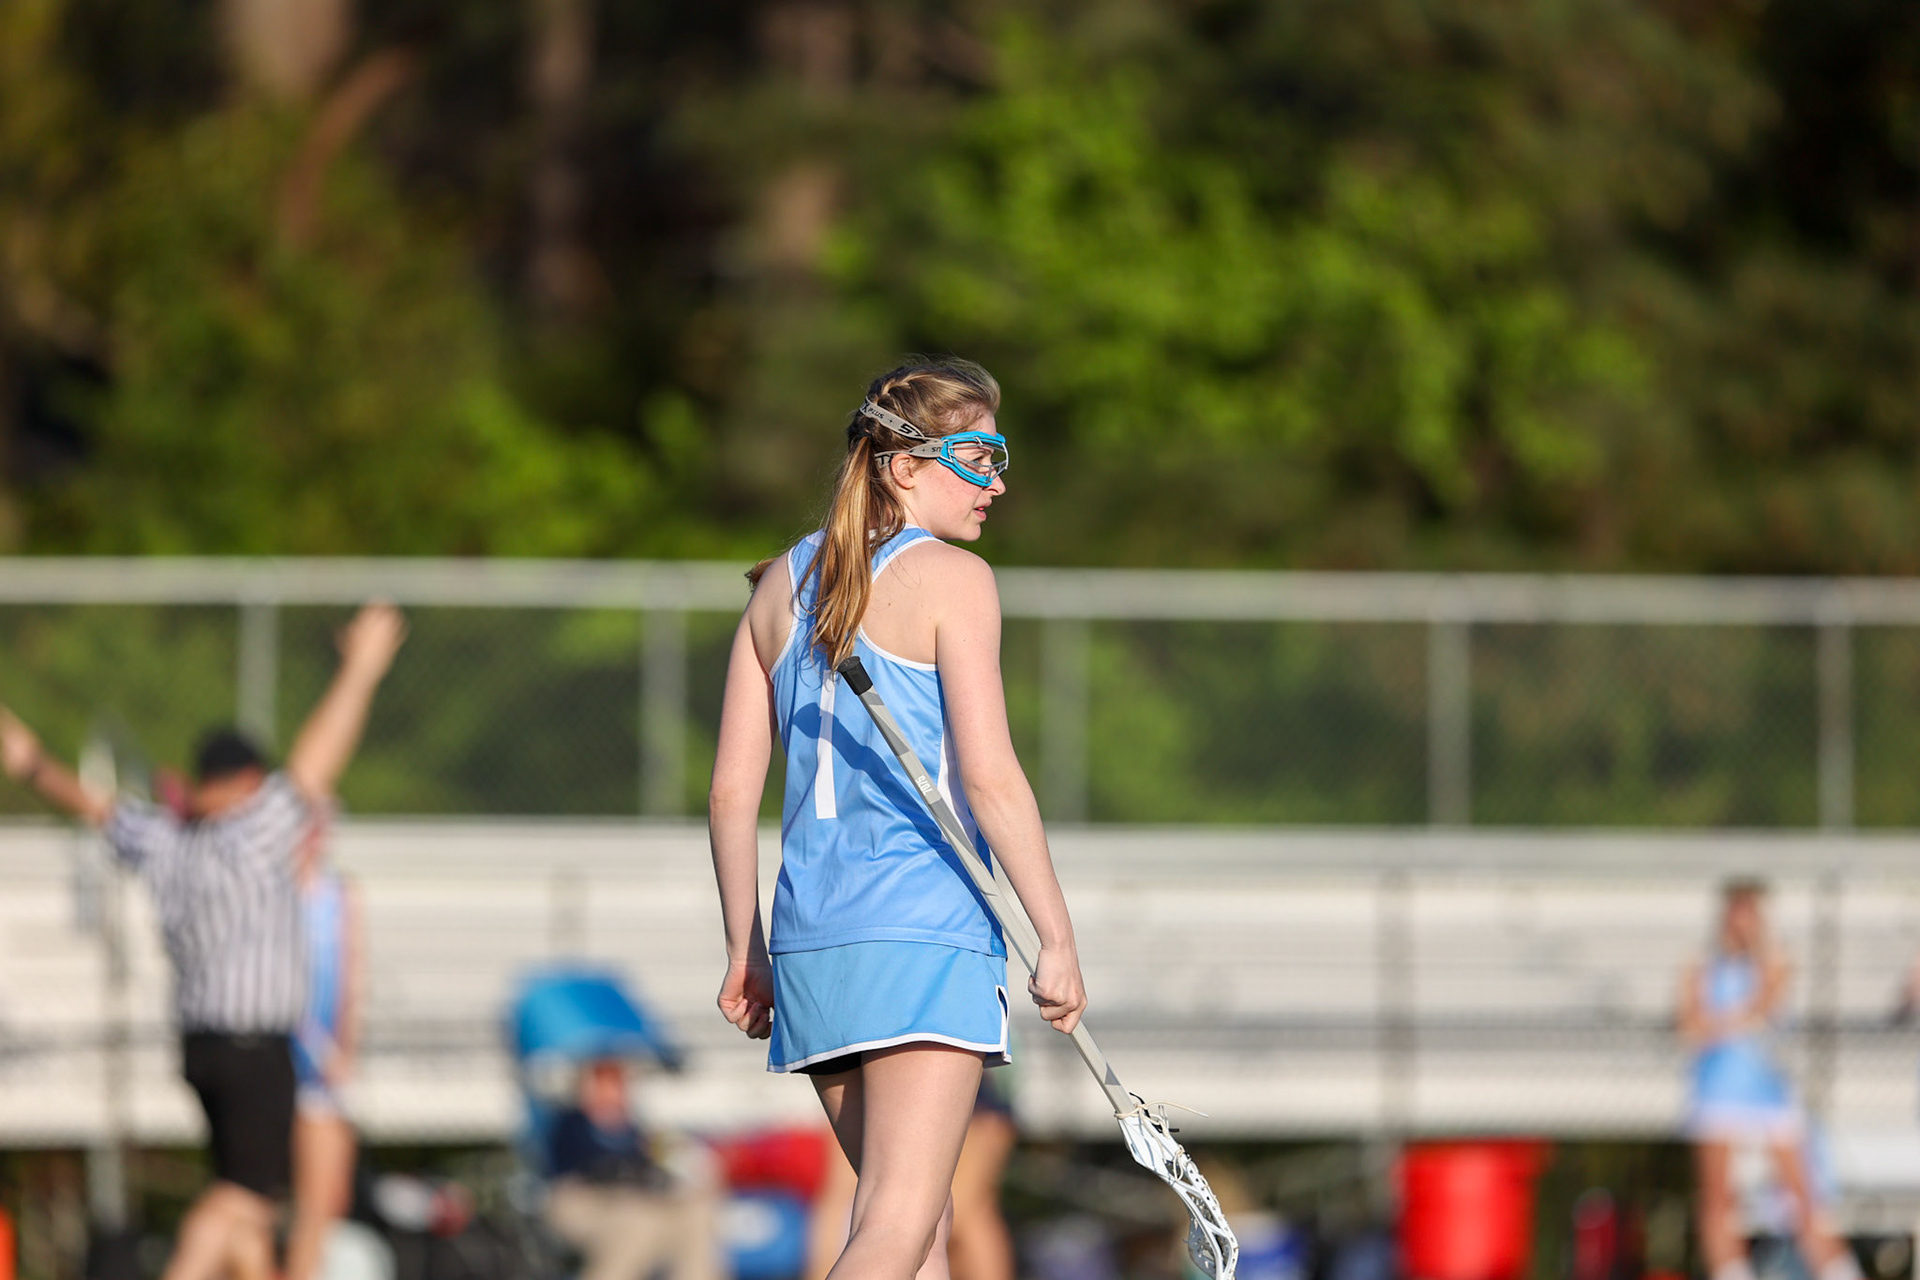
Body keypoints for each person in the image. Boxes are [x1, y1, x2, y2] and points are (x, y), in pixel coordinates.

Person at [708, 358, 1088, 1280]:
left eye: (1002, 456)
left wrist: (745, 948)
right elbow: (993, 779)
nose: (996, 480)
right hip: (921, 931)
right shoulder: (954, 579)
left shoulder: (776, 586)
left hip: (811, 943)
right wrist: (1057, 935)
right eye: (977, 454)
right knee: (896, 1223)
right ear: (902, 464)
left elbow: (729, 792)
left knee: (924, 1232)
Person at [0, 602, 406, 1280]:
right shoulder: (254, 834)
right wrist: (360, 674)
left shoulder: (166, 843)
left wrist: (33, 762)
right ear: (248, 781)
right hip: (254, 1046)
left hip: (201, 1046)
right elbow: (314, 765)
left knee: (247, 1204)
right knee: (243, 1195)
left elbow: (99, 809)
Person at [1678, 878, 1860, 1280]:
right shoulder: (1701, 964)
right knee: (1718, 1203)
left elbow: (1761, 1009)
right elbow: (1689, 1025)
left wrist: (1718, 1023)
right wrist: (1727, 1022)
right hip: (1717, 1091)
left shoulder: (1772, 960)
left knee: (1803, 1201)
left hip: (1767, 1092)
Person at [543, 1059, 720, 1280]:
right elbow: (581, 1171)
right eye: (604, 1084)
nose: (612, 1092)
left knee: (696, 1214)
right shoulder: (570, 1125)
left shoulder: (638, 1131)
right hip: (585, 1201)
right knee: (636, 1223)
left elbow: (670, 1163)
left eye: (617, 1084)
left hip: (639, 1200)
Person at [285, 817, 364, 1280]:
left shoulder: (340, 893)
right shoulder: (276, 892)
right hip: (285, 1058)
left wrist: (342, 1049)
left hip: (323, 1065)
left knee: (327, 1195)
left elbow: (351, 976)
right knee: (292, 1198)